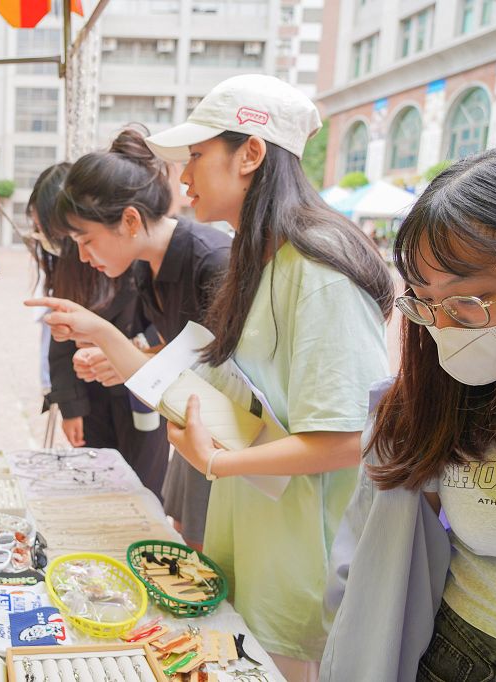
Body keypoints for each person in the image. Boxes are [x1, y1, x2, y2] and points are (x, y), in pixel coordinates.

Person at [149, 74, 394, 680]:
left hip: (301, 569)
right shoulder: (262, 258)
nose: (184, 178)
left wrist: (217, 460)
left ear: (251, 154)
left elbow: (344, 439)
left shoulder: (317, 271)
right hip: (256, 547)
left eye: (197, 158)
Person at [322, 147, 496, 681]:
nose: (444, 327)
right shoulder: (429, 401)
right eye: (425, 301)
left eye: (470, 300)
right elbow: (370, 554)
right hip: (456, 652)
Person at [27, 128, 231, 549]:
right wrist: (126, 358)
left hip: (229, 453)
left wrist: (110, 342)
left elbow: (220, 383)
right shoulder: (143, 265)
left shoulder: (212, 263)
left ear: (131, 220)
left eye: (85, 240)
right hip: (199, 440)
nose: (82, 256)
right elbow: (184, 354)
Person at [27, 162, 172, 498]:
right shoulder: (66, 264)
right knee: (96, 482)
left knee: (143, 486)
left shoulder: (132, 256)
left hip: (140, 392)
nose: (44, 239)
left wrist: (134, 347)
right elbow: (59, 342)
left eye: (43, 227)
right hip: (90, 395)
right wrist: (70, 406)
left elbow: (172, 329)